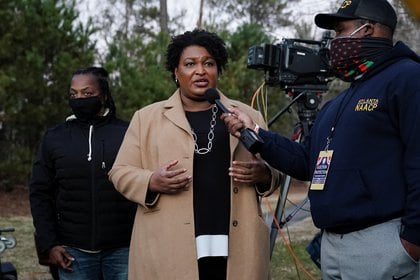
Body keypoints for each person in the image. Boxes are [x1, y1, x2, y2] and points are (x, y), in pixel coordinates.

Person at [222, 0, 420, 279]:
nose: (333, 42)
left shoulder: (408, 78)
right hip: (332, 246)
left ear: (368, 29)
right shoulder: (339, 102)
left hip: (382, 244)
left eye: (340, 31)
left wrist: (411, 242)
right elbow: (306, 162)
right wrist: (253, 131)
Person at [109, 29, 282, 280]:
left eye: (208, 63)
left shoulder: (247, 115)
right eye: (190, 64)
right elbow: (120, 172)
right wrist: (151, 181)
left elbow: (274, 170)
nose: (200, 70)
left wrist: (264, 174)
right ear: (176, 73)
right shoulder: (146, 118)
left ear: (218, 70)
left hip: (238, 241)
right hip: (168, 244)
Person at [29, 66, 137, 280]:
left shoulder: (129, 133)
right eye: (73, 94)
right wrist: (49, 243)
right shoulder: (55, 137)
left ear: (104, 95)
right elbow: (40, 193)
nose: (79, 98)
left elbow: (141, 185)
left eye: (87, 93)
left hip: (124, 249)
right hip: (72, 251)